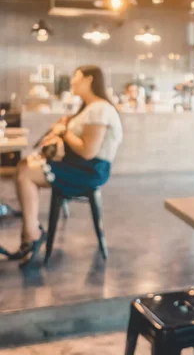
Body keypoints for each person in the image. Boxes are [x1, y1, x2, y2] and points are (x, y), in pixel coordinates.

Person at [2, 65, 123, 266]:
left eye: (76, 77)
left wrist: (63, 130)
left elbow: (88, 152)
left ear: (88, 80)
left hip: (89, 171)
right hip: (78, 165)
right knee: (24, 167)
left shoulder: (100, 109)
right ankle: (31, 232)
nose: (72, 82)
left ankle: (32, 234)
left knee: (25, 173)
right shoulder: (89, 108)